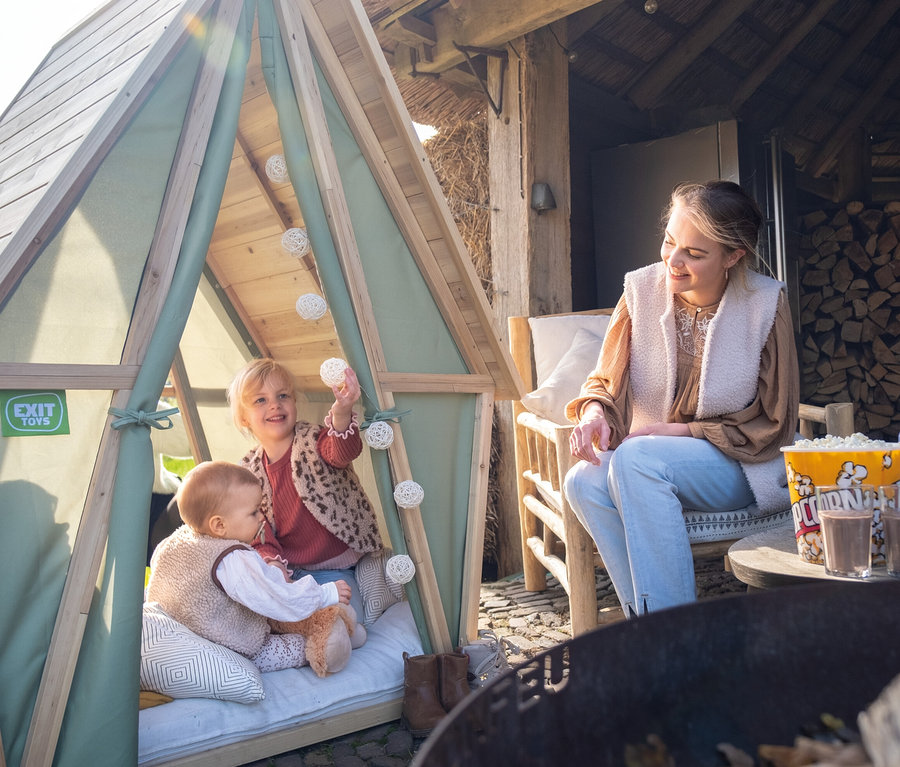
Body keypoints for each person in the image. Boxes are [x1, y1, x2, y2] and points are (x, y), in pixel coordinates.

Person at [564, 180, 799, 616]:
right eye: (670, 242)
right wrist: (594, 412)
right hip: (650, 464)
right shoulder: (640, 292)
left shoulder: (765, 304)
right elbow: (605, 380)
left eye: (694, 252)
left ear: (733, 256)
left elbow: (776, 419)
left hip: (740, 464)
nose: (673, 261)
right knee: (583, 480)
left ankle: (676, 632)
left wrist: (684, 431)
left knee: (637, 459)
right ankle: (650, 627)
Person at [147, 460, 362, 673]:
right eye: (254, 512)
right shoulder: (233, 559)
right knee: (291, 646)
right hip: (229, 646)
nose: (262, 517)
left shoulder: (171, 544)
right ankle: (332, 642)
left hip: (183, 639)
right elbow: (275, 598)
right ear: (219, 525)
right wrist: (324, 594)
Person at [227, 357, 382, 627]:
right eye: (260, 400)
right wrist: (272, 564)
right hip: (291, 570)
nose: (274, 405)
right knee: (268, 616)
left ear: (294, 402)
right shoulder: (249, 472)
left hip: (334, 567)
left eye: (283, 395)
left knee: (343, 617)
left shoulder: (313, 440)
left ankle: (335, 629)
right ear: (243, 418)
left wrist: (342, 414)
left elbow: (342, 452)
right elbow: (258, 532)